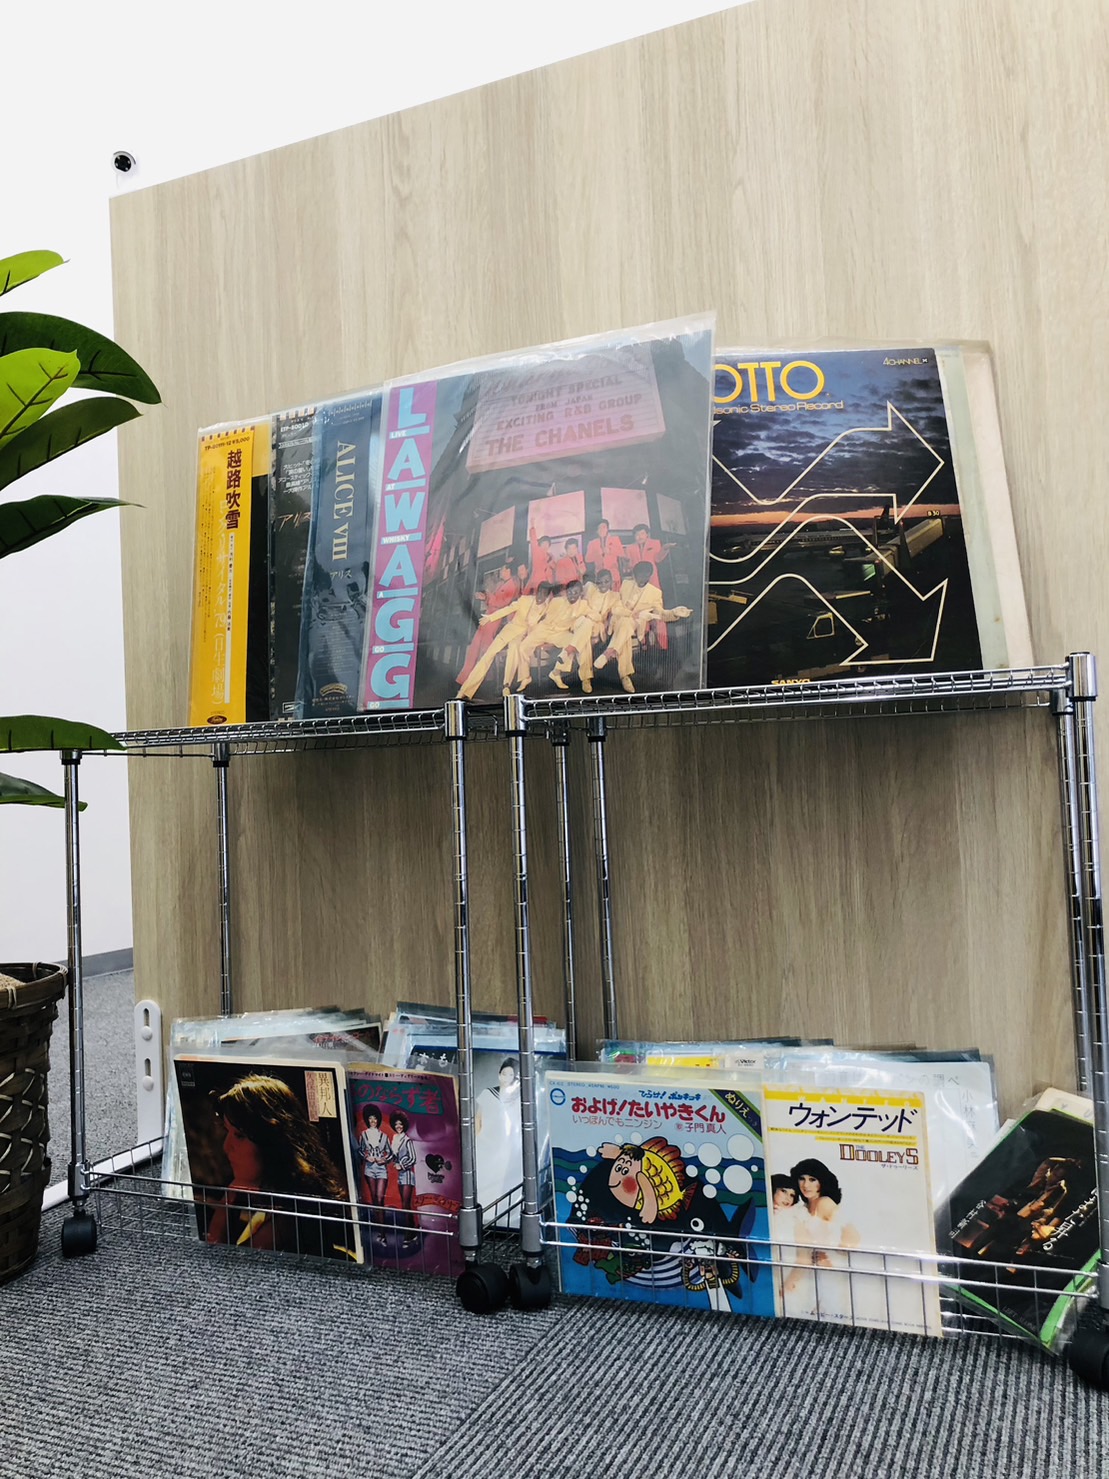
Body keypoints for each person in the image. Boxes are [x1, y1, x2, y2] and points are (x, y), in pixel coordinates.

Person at [203, 1073, 354, 1260]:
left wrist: (231, 1196)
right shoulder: (277, 1205)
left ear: (271, 1141)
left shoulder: (288, 1221)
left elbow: (221, 1260)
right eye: (228, 1132)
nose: (227, 1147)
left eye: (239, 1135)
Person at [594, 561, 692, 691]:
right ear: (634, 575)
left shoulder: (655, 593)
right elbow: (616, 603)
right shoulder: (625, 584)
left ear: (649, 576)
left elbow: (661, 614)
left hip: (635, 624)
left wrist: (674, 613)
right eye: (639, 576)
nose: (642, 579)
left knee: (626, 627)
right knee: (625, 628)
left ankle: (612, 658)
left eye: (645, 576)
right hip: (618, 620)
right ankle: (623, 674)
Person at [780, 1157, 859, 1315]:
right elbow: (803, 1254)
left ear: (821, 1182)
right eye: (802, 1179)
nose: (806, 1185)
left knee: (831, 1311)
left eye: (812, 1179)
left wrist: (830, 1256)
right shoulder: (803, 1209)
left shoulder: (825, 1203)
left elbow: (854, 1239)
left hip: (830, 1273)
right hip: (814, 1272)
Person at [456, 582, 554, 699]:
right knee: (488, 656)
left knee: (513, 652)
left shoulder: (546, 608)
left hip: (521, 636)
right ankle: (464, 691)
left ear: (547, 596)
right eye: (539, 593)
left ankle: (506, 686)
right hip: (510, 630)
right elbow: (507, 609)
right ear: (536, 591)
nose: (541, 596)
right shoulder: (524, 600)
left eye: (544, 594)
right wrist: (491, 618)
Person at [518, 579, 595, 693]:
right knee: (523, 647)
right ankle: (525, 678)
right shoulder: (556, 601)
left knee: (576, 643)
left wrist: (594, 622)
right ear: (566, 592)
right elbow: (541, 614)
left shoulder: (583, 605)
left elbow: (596, 616)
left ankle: (557, 672)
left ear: (580, 593)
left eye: (575, 593)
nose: (572, 595)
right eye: (569, 592)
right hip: (543, 630)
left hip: (560, 633)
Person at [455, 562, 520, 685]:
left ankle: (483, 678)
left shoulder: (511, 585)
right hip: (489, 616)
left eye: (503, 570)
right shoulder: (503, 584)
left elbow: (501, 603)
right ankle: (468, 677)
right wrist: (485, 597)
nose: (501, 572)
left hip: (494, 618)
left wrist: (487, 597)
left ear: (508, 571)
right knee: (476, 646)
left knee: (485, 647)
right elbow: (495, 601)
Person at [389, 1110, 419, 1245]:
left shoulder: (407, 1140)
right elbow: (393, 1156)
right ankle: (411, 1229)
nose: (398, 1126)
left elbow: (413, 1158)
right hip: (400, 1176)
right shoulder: (395, 1139)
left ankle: (410, 1232)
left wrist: (402, 1165)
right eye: (396, 1124)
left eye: (400, 1124)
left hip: (407, 1175)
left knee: (406, 1204)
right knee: (403, 1203)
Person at [585, 519, 625, 584]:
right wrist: (597, 553)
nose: (602, 530)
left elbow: (622, 553)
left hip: (613, 574)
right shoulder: (592, 543)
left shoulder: (615, 539)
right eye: (599, 528)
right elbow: (587, 559)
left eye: (604, 527)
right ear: (597, 531)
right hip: (599, 575)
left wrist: (610, 550)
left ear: (607, 529)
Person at [524, 526, 555, 593]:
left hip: (548, 583)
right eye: (543, 543)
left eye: (547, 544)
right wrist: (532, 527)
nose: (545, 545)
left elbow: (554, 569)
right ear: (539, 545)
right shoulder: (536, 553)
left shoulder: (550, 556)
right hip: (537, 582)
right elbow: (533, 540)